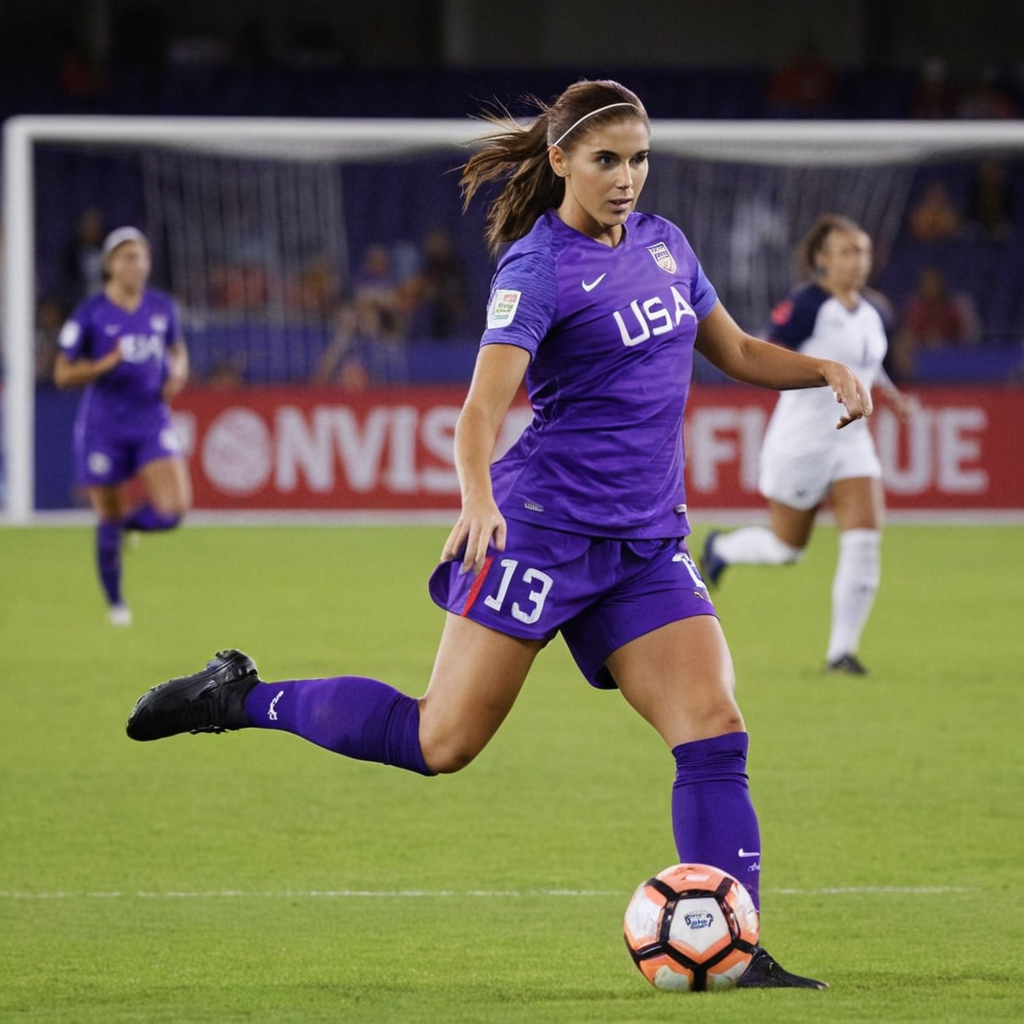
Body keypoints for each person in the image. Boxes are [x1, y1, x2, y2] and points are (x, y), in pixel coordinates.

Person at [125, 80, 873, 989]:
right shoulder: (538, 267)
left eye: (639, 159)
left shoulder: (668, 246)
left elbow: (743, 353)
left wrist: (823, 367)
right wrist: (478, 499)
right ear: (559, 160)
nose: (627, 177)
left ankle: (738, 949)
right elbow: (480, 410)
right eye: (606, 160)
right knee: (440, 742)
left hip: (643, 543)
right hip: (542, 536)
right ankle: (238, 697)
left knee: (715, 729)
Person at [700, 214, 914, 675]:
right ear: (822, 259)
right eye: (845, 252)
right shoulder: (805, 305)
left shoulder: (877, 310)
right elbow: (763, 350)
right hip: (801, 443)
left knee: (864, 541)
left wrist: (891, 398)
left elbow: (870, 365)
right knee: (787, 549)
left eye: (862, 251)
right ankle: (723, 549)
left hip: (853, 443)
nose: (857, 262)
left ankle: (842, 652)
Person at [54, 227, 191, 625]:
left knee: (173, 511)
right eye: (129, 257)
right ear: (111, 264)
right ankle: (116, 606)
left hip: (150, 420)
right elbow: (62, 373)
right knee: (107, 514)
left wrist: (179, 371)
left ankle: (124, 527)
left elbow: (177, 349)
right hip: (104, 427)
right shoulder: (91, 313)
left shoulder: (161, 307)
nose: (138, 265)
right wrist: (101, 365)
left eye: (143, 257)